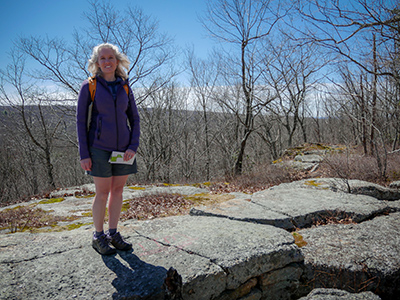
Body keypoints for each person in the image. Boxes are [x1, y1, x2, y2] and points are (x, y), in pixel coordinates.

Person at [76, 43, 140, 255]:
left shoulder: (125, 86)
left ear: (117, 60)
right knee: (102, 192)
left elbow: (135, 118)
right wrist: (84, 154)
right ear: (96, 63)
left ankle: (113, 233)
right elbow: (80, 121)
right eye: (102, 59)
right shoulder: (89, 86)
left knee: (118, 191)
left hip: (124, 150)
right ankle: (98, 235)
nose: (107, 61)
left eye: (110, 57)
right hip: (99, 148)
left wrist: (133, 145)